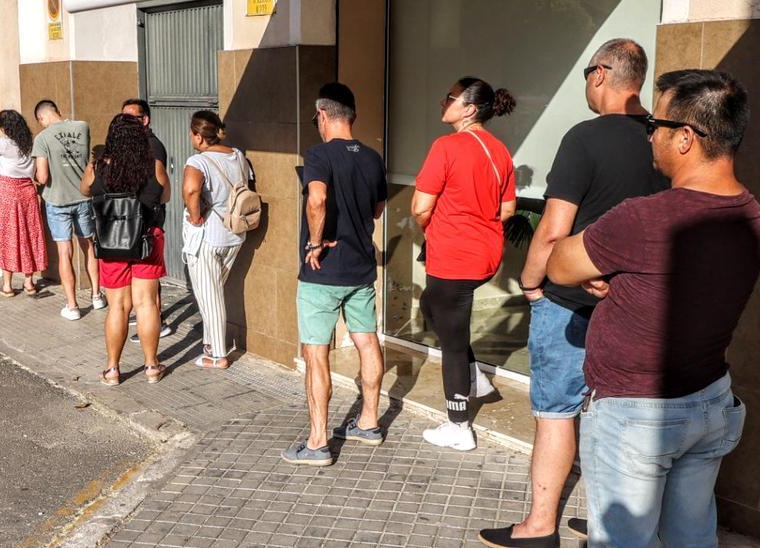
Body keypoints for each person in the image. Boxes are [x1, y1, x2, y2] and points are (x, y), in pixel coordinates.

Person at [545, 69, 760, 547]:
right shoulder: (751, 213)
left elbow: (558, 264)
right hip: (710, 399)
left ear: (685, 138)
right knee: (691, 538)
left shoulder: (645, 217)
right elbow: (683, 285)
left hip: (637, 414)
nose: (649, 137)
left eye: (653, 127)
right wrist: (623, 279)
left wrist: (604, 272)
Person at [479, 39, 672, 548]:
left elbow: (551, 228)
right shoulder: (666, 140)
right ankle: (618, 518)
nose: (587, 82)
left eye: (588, 72)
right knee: (626, 417)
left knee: (556, 411)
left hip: (572, 304)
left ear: (602, 74)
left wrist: (532, 284)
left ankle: (539, 527)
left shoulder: (584, 138)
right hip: (639, 306)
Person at [411, 77, 518, 454]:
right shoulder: (500, 151)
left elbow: (420, 208)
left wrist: (439, 228)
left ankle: (459, 426)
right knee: (430, 307)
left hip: (454, 256)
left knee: (452, 343)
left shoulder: (447, 146)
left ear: (469, 109)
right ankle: (477, 379)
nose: (444, 102)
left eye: (450, 98)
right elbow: (506, 210)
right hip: (485, 255)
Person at [282, 83, 387, 467]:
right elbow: (376, 211)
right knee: (366, 341)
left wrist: (314, 242)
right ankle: (370, 422)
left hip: (322, 272)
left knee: (316, 354)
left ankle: (317, 443)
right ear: (352, 116)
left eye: (316, 119)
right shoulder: (373, 158)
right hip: (361, 268)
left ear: (322, 115)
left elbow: (318, 198)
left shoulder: (319, 154)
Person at [81, 113, 169, 386]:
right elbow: (164, 196)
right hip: (146, 240)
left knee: (118, 305)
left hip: (112, 243)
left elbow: (85, 190)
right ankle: (152, 366)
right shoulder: (153, 165)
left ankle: (112, 369)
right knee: (146, 303)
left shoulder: (98, 167)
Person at [181, 111, 248, 369]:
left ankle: (218, 355)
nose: (191, 137)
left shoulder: (199, 162)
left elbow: (191, 190)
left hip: (209, 236)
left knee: (210, 297)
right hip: (234, 232)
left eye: (191, 133)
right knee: (213, 291)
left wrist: (195, 217)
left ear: (199, 136)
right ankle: (210, 345)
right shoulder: (237, 155)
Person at [32, 99, 100, 318]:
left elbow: (42, 176)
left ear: (41, 118)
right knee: (88, 245)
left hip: (57, 200)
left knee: (64, 252)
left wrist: (35, 178)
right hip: (83, 197)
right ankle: (97, 296)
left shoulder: (42, 138)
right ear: (58, 111)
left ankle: (72, 306)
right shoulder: (82, 127)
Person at [120, 99, 173, 340]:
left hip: (148, 220)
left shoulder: (153, 146)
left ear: (145, 120)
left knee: (149, 274)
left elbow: (162, 189)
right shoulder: (131, 145)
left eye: (131, 118)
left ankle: (156, 320)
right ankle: (148, 315)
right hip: (132, 219)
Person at [0, 110, 45, 296]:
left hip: (6, 190)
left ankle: (7, 285)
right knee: (29, 233)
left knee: (8, 235)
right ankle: (29, 281)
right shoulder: (31, 143)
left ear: (4, 127)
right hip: (28, 190)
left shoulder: (4, 143)